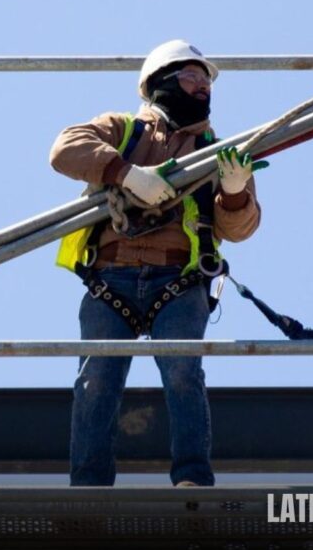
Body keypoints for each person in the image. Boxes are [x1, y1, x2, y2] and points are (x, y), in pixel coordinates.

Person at [49, 40, 265, 487]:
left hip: (179, 280)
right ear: (161, 82)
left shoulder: (216, 152)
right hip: (111, 277)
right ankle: (88, 489)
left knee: (184, 370)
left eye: (205, 81)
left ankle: (192, 481)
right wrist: (126, 174)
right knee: (95, 382)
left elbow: (238, 228)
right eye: (190, 78)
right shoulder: (122, 130)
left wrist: (236, 190)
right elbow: (65, 150)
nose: (202, 88)